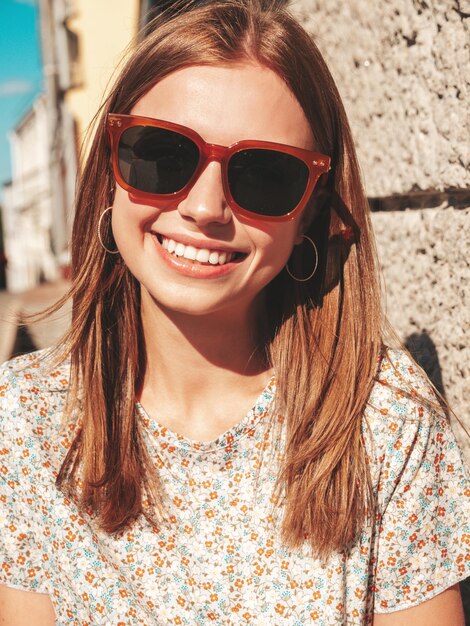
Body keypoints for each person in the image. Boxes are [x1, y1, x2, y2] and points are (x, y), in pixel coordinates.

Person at [0, 1, 468, 624]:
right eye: (161, 154)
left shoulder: (386, 422)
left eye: (265, 175)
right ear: (108, 172)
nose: (205, 206)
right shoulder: (27, 423)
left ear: (311, 212)